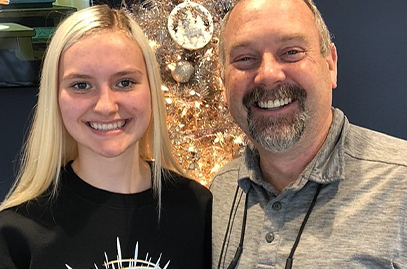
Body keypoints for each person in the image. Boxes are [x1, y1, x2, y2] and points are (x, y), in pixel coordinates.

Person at [0, 5, 212, 269]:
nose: (106, 106)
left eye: (124, 82)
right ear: (55, 98)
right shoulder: (15, 234)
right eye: (81, 85)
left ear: (151, 90)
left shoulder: (201, 212)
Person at [211, 0, 407, 268]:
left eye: (291, 52)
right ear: (223, 82)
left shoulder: (401, 184)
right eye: (245, 58)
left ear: (330, 65)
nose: (268, 75)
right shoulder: (220, 191)